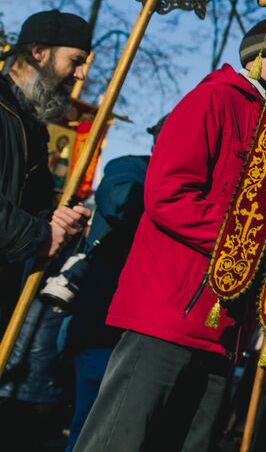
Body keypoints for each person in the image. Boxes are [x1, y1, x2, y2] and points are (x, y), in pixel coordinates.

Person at [72, 17, 266, 452]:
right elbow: (168, 194)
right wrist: (243, 243)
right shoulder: (214, 100)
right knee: (120, 439)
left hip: (226, 322)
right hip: (170, 312)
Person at [59, 135, 153, 452]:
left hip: (138, 327)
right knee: (91, 424)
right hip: (103, 321)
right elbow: (120, 202)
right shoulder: (131, 168)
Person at [0, 10, 93, 324]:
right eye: (76, 60)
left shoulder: (34, 128)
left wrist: (58, 222)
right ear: (39, 52)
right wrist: (38, 234)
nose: (80, 75)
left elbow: (30, 205)